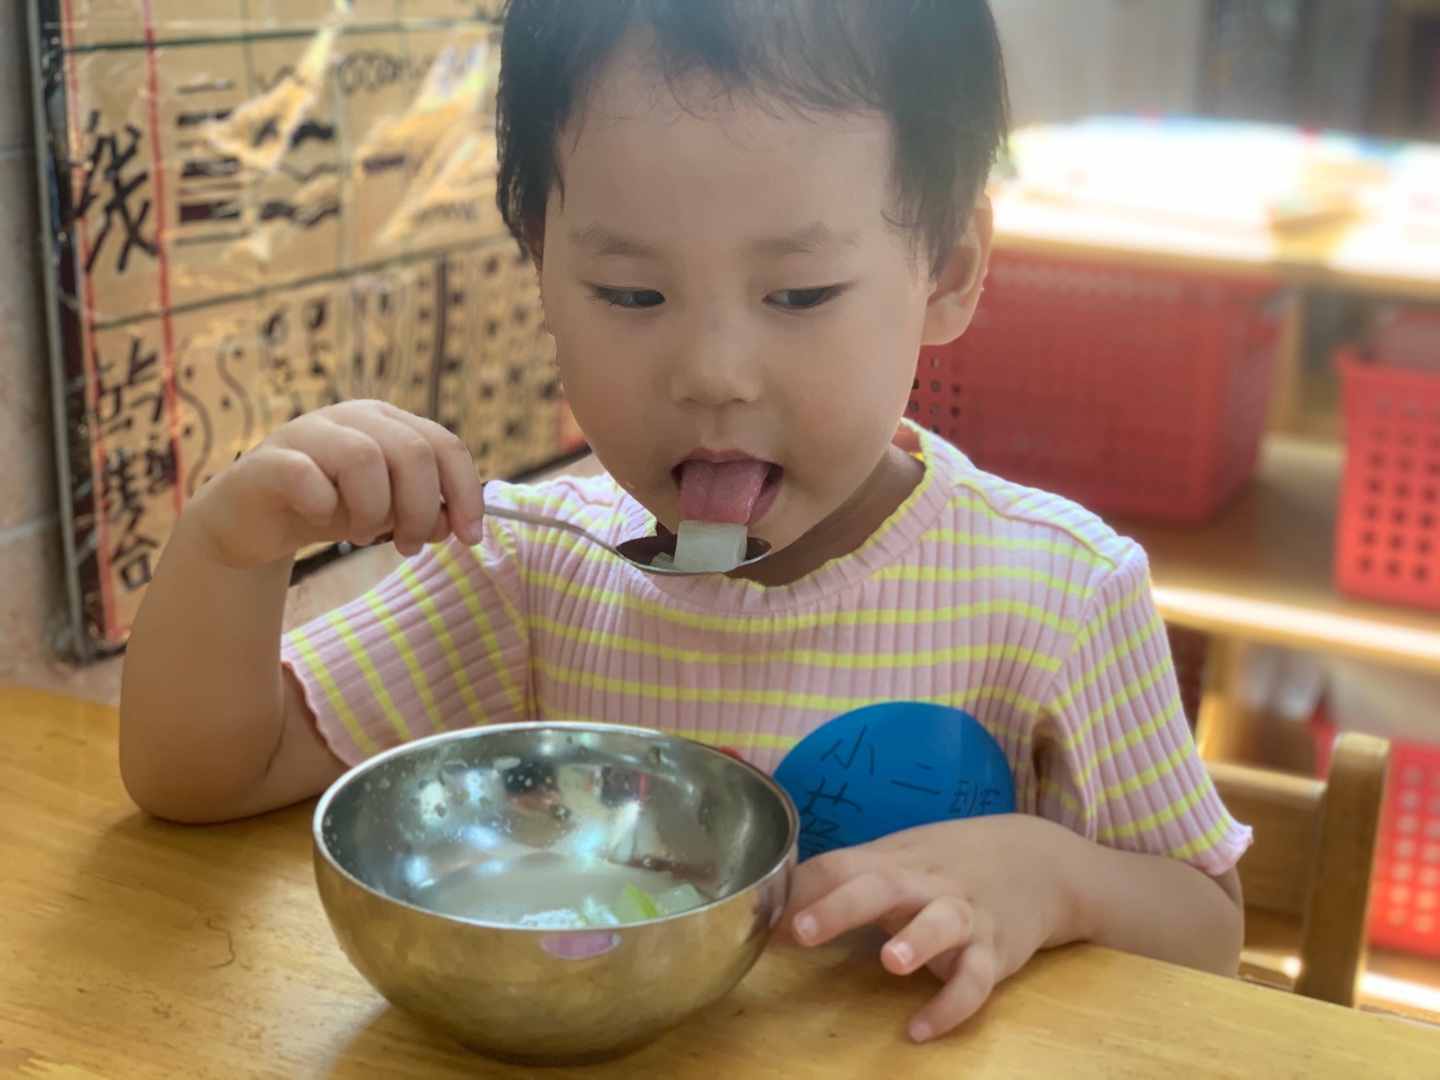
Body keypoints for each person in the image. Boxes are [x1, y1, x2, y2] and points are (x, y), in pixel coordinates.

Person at [120, 0, 1249, 1043]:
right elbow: (204, 777)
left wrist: (1054, 879)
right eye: (631, 294)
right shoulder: (527, 570)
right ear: (541, 263)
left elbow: (1209, 928)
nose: (712, 374)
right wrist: (233, 549)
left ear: (946, 270)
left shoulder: (1058, 591)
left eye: (799, 295)